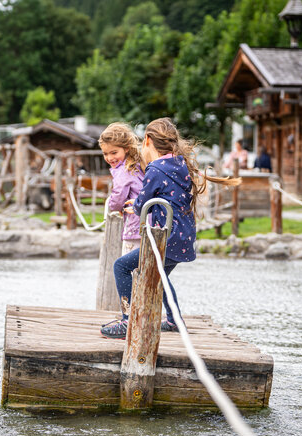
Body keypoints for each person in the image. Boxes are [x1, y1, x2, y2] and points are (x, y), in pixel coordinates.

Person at [100, 118, 240, 339]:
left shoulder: (155, 168)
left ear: (147, 140)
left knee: (121, 267)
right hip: (184, 238)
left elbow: (142, 201)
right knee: (159, 277)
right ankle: (175, 321)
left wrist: (133, 207)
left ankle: (128, 322)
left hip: (166, 238)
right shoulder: (181, 163)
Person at [99, 122, 145, 254]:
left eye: (114, 152)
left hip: (135, 225)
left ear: (126, 148)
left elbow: (119, 194)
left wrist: (114, 207)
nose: (109, 158)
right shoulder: (137, 165)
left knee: (126, 266)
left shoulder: (123, 170)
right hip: (147, 223)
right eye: (105, 154)